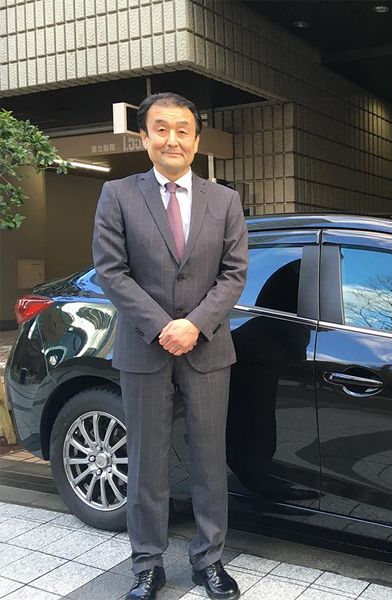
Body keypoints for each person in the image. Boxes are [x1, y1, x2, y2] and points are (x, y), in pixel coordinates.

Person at [92, 92, 248, 600]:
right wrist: (163, 326)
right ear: (144, 138)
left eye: (183, 130)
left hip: (207, 349)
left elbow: (234, 273)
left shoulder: (224, 200)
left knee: (210, 460)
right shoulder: (117, 194)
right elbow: (111, 271)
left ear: (196, 140)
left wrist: (195, 325)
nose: (172, 139)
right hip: (144, 348)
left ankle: (209, 560)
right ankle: (147, 565)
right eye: (161, 129)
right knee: (145, 463)